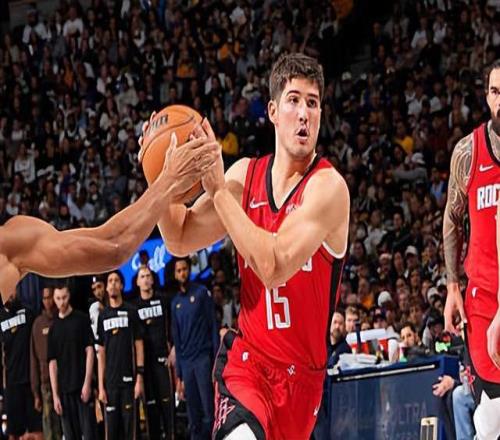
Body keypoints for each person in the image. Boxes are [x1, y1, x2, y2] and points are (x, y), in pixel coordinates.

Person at [142, 53, 349, 439]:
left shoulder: (328, 188)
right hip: (248, 363)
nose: (304, 113)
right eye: (293, 100)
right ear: (272, 111)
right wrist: (161, 181)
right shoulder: (244, 176)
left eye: (312, 103)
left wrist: (219, 192)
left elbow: (273, 267)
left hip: (301, 383)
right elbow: (179, 238)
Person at [0, 137, 217, 304]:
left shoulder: (10, 241)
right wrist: (167, 180)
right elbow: (113, 246)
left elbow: (111, 245)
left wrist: (162, 178)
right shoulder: (8, 242)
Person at [443, 60, 500, 439]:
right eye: (495, 92)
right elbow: (452, 219)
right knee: (492, 414)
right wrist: (452, 287)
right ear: (487, 96)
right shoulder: (468, 151)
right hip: (483, 300)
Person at [170, 257, 219, 439]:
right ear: (175, 275)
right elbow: (176, 339)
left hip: (203, 359)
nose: (182, 273)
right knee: (193, 413)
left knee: (208, 409)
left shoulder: (201, 293)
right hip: (186, 363)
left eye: (184, 269)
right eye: (178, 270)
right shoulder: (175, 303)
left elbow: (213, 326)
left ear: (189, 271)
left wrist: (216, 361)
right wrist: (179, 375)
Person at [96, 271, 144, 440]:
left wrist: (139, 377)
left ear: (122, 286)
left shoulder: (131, 312)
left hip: (129, 381)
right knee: (111, 432)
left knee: (131, 431)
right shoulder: (103, 316)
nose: (113, 283)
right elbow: (101, 353)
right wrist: (101, 387)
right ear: (106, 287)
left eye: (116, 280)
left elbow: (139, 345)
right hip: (110, 383)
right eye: (110, 281)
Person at [47, 284, 97, 440]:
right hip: (64, 391)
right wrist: (55, 395)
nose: (61, 302)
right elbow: (52, 364)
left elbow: (90, 351)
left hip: (82, 387)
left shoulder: (81, 319)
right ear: (54, 299)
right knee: (69, 436)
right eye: (58, 298)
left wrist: (87, 383)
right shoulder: (53, 327)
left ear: (69, 296)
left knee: (90, 434)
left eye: (64, 297)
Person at [133, 265, 174, 439]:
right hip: (146, 365)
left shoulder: (164, 300)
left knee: (168, 408)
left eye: (148, 275)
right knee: (151, 412)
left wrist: (173, 349)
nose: (145, 279)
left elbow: (172, 327)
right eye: (142, 276)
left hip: (163, 360)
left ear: (152, 279)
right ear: (137, 282)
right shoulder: (133, 307)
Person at [0, 294, 43, 439]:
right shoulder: (1, 317)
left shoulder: (28, 313)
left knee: (36, 429)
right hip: (11, 383)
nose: (10, 295)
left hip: (30, 380)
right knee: (13, 431)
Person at [30, 287, 62, 440]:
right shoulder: (37, 324)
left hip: (65, 382)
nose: (48, 301)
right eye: (45, 298)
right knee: (49, 429)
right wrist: (36, 393)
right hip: (46, 385)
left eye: (50, 297)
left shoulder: (61, 319)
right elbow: (33, 359)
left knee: (66, 426)